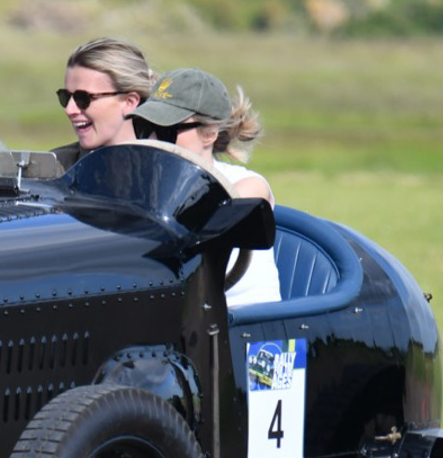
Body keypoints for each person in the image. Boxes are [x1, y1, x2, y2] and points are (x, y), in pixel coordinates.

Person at [131, 67, 281, 306]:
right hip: (182, 316)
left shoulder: (248, 183)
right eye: (144, 128)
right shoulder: (142, 189)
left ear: (210, 132)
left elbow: (210, 219)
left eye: (166, 131)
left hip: (247, 320)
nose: (151, 140)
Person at [50, 37, 157, 171]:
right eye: (65, 97)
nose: (69, 110)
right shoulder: (54, 169)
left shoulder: (164, 171)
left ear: (129, 102)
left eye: (83, 98)